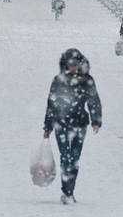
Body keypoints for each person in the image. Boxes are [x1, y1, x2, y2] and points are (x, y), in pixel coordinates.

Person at [43, 49, 102, 205]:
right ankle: (67, 190)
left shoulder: (87, 80)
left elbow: (94, 100)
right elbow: (51, 103)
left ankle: (70, 189)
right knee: (65, 156)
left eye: (76, 64)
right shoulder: (58, 80)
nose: (73, 67)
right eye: (70, 64)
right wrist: (47, 126)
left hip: (79, 123)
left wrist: (96, 120)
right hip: (61, 124)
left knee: (74, 158)